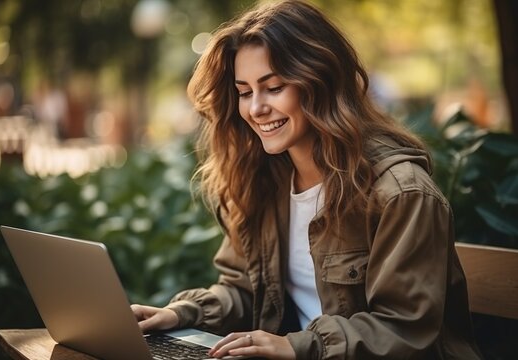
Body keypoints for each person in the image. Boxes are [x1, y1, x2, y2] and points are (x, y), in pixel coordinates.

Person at [131, 1, 483, 359]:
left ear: (320, 82)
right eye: (245, 91)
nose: (256, 108)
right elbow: (244, 290)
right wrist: (180, 314)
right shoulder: (264, 181)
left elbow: (404, 328)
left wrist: (295, 346)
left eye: (274, 87)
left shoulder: (399, 192)